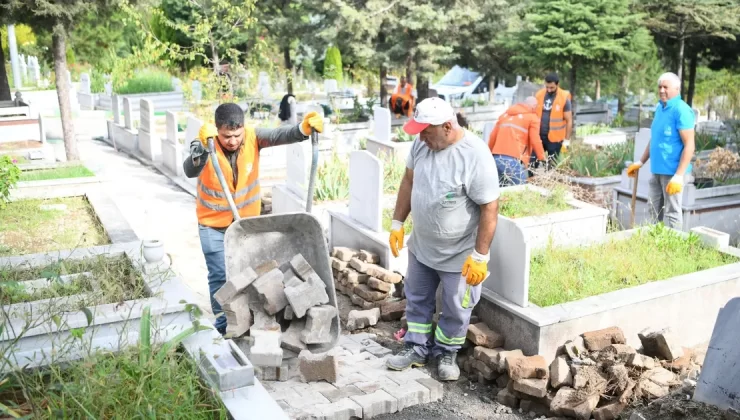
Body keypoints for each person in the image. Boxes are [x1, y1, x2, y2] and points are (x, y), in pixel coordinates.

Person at [385, 97, 500, 381]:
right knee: (417, 299)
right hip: (423, 247)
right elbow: (409, 180)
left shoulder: (475, 155)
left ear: (447, 126)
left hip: (458, 256)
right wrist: (397, 222)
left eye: (426, 131)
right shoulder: (421, 145)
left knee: (455, 307)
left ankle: (447, 352)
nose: (421, 137)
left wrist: (480, 256)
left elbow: (490, 207)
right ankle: (416, 348)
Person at [183, 103, 323, 335]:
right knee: (219, 276)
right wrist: (203, 151)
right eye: (227, 136)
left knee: (248, 275)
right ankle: (223, 327)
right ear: (217, 130)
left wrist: (303, 129)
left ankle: (249, 323)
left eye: (237, 135)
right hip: (213, 225)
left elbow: (280, 135)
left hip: (245, 225)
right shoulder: (205, 142)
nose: (233, 140)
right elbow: (190, 170)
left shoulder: (253, 137)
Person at [626, 72, 695, 229]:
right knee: (652, 210)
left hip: (673, 172)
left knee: (672, 213)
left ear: (676, 89)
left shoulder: (681, 110)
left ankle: (672, 247)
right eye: (660, 87)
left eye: (666, 87)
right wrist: (640, 161)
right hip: (656, 170)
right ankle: (653, 244)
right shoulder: (660, 108)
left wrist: (678, 176)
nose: (662, 90)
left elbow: (689, 145)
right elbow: (655, 138)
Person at [488, 96, 546, 186]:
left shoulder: (505, 116)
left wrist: (489, 155)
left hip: (496, 159)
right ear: (534, 106)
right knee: (520, 191)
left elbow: (492, 137)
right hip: (513, 160)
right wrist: (542, 158)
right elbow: (535, 140)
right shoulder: (532, 118)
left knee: (500, 193)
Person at [534, 72, 573, 166]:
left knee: (551, 166)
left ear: (557, 84)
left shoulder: (564, 97)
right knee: (532, 163)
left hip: (555, 139)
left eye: (551, 87)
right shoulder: (539, 94)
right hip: (538, 136)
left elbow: (569, 120)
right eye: (547, 87)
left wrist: (567, 141)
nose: (549, 90)